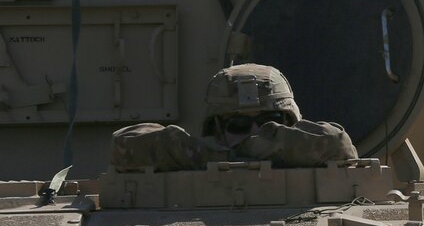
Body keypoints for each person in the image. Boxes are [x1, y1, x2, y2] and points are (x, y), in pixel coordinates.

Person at [111, 64, 357, 171]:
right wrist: (211, 154)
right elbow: (123, 144)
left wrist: (253, 147)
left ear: (289, 122)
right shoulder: (199, 157)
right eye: (238, 125)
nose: (253, 132)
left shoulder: (316, 155)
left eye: (267, 123)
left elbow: (338, 143)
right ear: (217, 127)